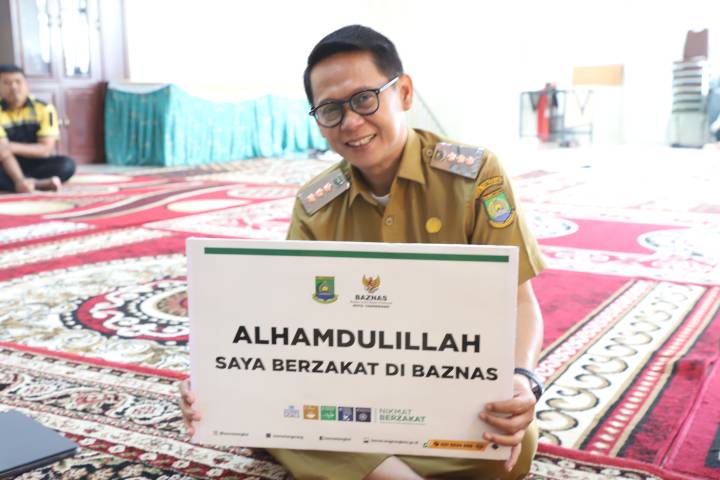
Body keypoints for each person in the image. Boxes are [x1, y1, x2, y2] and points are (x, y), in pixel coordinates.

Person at [180, 25, 545, 480]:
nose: (350, 122)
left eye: (365, 99)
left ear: (404, 93)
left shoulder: (474, 176)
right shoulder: (316, 205)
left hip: (443, 385)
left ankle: (360, 466)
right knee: (268, 411)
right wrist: (217, 384)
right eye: (330, 109)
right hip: (349, 393)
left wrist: (523, 378)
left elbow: (519, 301)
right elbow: (286, 329)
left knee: (513, 444)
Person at [0, 64, 75, 193]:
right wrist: (19, 179)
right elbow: (3, 152)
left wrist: (10, 146)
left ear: (26, 84)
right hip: (7, 164)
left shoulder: (45, 109)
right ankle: (37, 184)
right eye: (6, 83)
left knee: (67, 165)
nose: (13, 87)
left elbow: (45, 149)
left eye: (18, 82)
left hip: (37, 162)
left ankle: (25, 184)